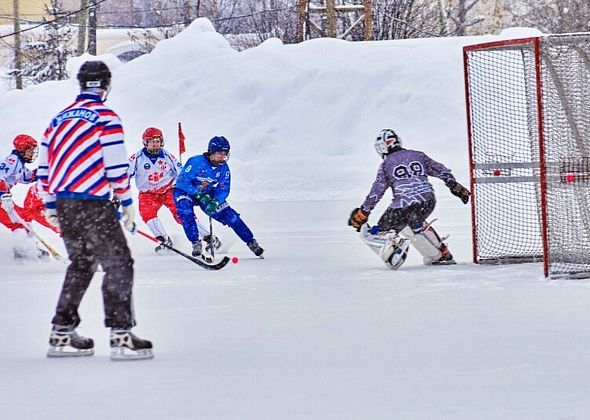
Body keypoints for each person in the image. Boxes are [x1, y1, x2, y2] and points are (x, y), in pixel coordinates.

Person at [37, 60, 153, 360]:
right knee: (119, 263)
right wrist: (127, 203)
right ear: (106, 85)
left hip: (65, 202)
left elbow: (44, 167)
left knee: (82, 264)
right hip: (92, 202)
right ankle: (121, 336)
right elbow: (116, 167)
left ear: (80, 83)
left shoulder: (58, 119)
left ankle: (60, 333)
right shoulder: (106, 117)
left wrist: (50, 205)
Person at [348, 128, 470, 269]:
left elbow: (376, 192)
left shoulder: (386, 165)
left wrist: (364, 212)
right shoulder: (418, 155)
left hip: (402, 205)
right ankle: (441, 254)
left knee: (382, 231)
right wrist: (453, 184)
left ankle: (392, 245)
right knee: (415, 223)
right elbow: (441, 169)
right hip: (427, 200)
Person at [128, 126, 220, 253]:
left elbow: (181, 172)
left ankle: (209, 237)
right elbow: (125, 175)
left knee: (182, 214)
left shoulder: (167, 156)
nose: (155, 145)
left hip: (169, 190)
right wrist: (117, 193)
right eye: (152, 142)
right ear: (145, 142)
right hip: (147, 193)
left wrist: (191, 186)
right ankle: (163, 239)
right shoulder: (136, 158)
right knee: (147, 213)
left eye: (158, 141)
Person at [173, 135, 264, 258]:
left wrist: (215, 201)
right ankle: (195, 242)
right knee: (185, 211)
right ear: (211, 152)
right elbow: (182, 182)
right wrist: (198, 193)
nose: (222, 156)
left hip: (207, 193)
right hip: (185, 192)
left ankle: (251, 241)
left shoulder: (224, 168)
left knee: (231, 217)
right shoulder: (195, 162)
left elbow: (223, 188)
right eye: (219, 153)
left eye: (225, 153)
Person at [0, 134, 49, 259]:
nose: (32, 153)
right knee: (19, 222)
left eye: (34, 150)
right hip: (2, 199)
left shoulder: (19, 164)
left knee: (24, 217)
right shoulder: (12, 161)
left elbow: (28, 177)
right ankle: (22, 252)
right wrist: (4, 195)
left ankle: (29, 248)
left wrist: (44, 171)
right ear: (22, 150)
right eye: (30, 150)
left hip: (3, 199)